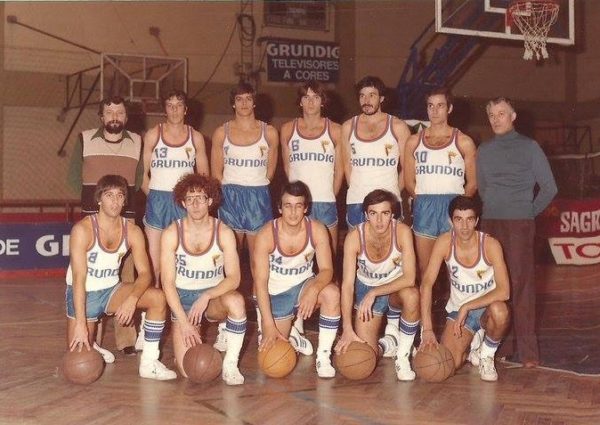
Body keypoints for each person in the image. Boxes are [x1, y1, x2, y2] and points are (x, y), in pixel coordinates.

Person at [66, 175, 176, 381]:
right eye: (109, 196)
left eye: (120, 196)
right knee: (78, 361)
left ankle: (149, 363)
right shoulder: (82, 230)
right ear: (99, 199)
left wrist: (132, 299)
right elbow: (79, 278)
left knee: (158, 298)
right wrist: (81, 322)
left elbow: (145, 273)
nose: (115, 201)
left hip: (111, 290)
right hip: (84, 293)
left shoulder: (132, 231)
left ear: (125, 200)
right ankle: (92, 343)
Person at [477, 97, 557, 368]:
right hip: (490, 224)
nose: (496, 118)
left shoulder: (529, 147)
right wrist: (496, 208)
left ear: (513, 117)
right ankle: (498, 345)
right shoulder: (484, 150)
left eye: (501, 113)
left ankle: (528, 353)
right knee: (494, 286)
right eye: (491, 114)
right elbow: (483, 188)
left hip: (520, 224)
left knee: (521, 287)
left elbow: (549, 188)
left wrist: (527, 211)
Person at [68, 96, 140, 357]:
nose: (114, 116)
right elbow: (74, 178)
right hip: (93, 222)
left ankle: (126, 340)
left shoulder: (137, 141)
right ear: (101, 117)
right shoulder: (85, 138)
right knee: (92, 279)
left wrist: (122, 209)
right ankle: (93, 337)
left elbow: (139, 179)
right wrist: (94, 210)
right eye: (109, 112)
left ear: (126, 117)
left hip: (126, 220)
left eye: (119, 112)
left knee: (128, 279)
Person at [210, 82, 279, 348]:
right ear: (233, 103)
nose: (244, 104)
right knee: (228, 264)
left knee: (258, 265)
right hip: (230, 197)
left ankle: (264, 325)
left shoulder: (269, 133)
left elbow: (270, 173)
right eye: (239, 99)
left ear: (254, 103)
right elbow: (217, 173)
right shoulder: (221, 132)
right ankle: (226, 327)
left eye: (248, 99)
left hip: (258, 198)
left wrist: (253, 189)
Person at [161, 173, 246, 385]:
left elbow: (234, 278)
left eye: (201, 197)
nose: (196, 204)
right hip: (183, 300)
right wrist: (184, 323)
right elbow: (167, 284)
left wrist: (207, 295)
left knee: (236, 300)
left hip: (212, 297)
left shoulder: (224, 232)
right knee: (189, 370)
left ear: (210, 201)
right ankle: (182, 338)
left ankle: (230, 364)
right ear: (183, 202)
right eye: (190, 199)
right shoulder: (172, 233)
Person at [280, 81, 343, 353]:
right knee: (294, 261)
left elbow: (340, 171)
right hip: (296, 206)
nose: (310, 102)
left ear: (323, 101)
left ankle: (330, 324)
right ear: (300, 102)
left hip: (325, 203)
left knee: (326, 266)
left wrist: (328, 196)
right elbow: (287, 168)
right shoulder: (287, 130)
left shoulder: (336, 130)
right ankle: (297, 324)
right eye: (305, 98)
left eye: (315, 97)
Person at [254, 181, 340, 378]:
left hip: (303, 287)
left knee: (331, 293)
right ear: (279, 208)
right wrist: (268, 324)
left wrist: (313, 289)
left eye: (298, 206)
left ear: (306, 207)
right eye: (288, 206)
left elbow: (327, 270)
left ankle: (323, 357)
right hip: (275, 294)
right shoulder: (266, 234)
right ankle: (292, 335)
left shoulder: (317, 229)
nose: (293, 212)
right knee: (273, 362)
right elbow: (259, 283)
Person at [419, 195, 510, 381]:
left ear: (477, 220)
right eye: (458, 220)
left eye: (469, 219)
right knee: (447, 364)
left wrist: (467, 306)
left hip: (486, 308)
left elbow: (504, 291)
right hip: (458, 311)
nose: (464, 226)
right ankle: (473, 344)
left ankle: (486, 354)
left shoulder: (490, 245)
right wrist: (427, 328)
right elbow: (426, 284)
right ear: (451, 221)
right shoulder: (444, 243)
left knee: (500, 311)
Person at [335, 189, 420, 381]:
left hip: (395, 288)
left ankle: (403, 356)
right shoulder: (355, 237)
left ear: (393, 214)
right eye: (373, 214)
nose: (380, 221)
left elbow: (409, 278)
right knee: (365, 357)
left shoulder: (403, 232)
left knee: (412, 295)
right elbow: (347, 286)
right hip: (365, 290)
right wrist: (347, 328)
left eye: (385, 213)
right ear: (366, 215)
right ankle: (387, 343)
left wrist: (375, 292)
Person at [404, 88, 477, 277]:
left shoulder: (464, 141)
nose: (434, 111)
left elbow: (473, 183)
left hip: (453, 205)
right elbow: (409, 182)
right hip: (425, 205)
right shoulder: (414, 141)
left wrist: (459, 209)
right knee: (426, 270)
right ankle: (427, 306)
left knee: (458, 269)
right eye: (430, 106)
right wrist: (421, 202)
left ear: (449, 108)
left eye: (440, 106)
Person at [141, 90, 209, 286]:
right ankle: (151, 314)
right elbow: (142, 175)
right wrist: (153, 196)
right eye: (170, 105)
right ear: (165, 109)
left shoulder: (195, 137)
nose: (174, 110)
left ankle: (182, 308)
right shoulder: (154, 135)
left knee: (182, 262)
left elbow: (204, 178)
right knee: (155, 265)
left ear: (185, 109)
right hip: (158, 201)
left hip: (184, 203)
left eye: (179, 105)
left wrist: (195, 203)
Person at [340, 75, 411, 229]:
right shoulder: (347, 127)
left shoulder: (398, 126)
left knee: (389, 251)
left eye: (372, 95)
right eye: (362, 96)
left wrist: (391, 194)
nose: (366, 100)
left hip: (388, 203)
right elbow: (347, 167)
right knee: (358, 250)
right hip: (357, 201)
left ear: (382, 98)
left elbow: (408, 169)